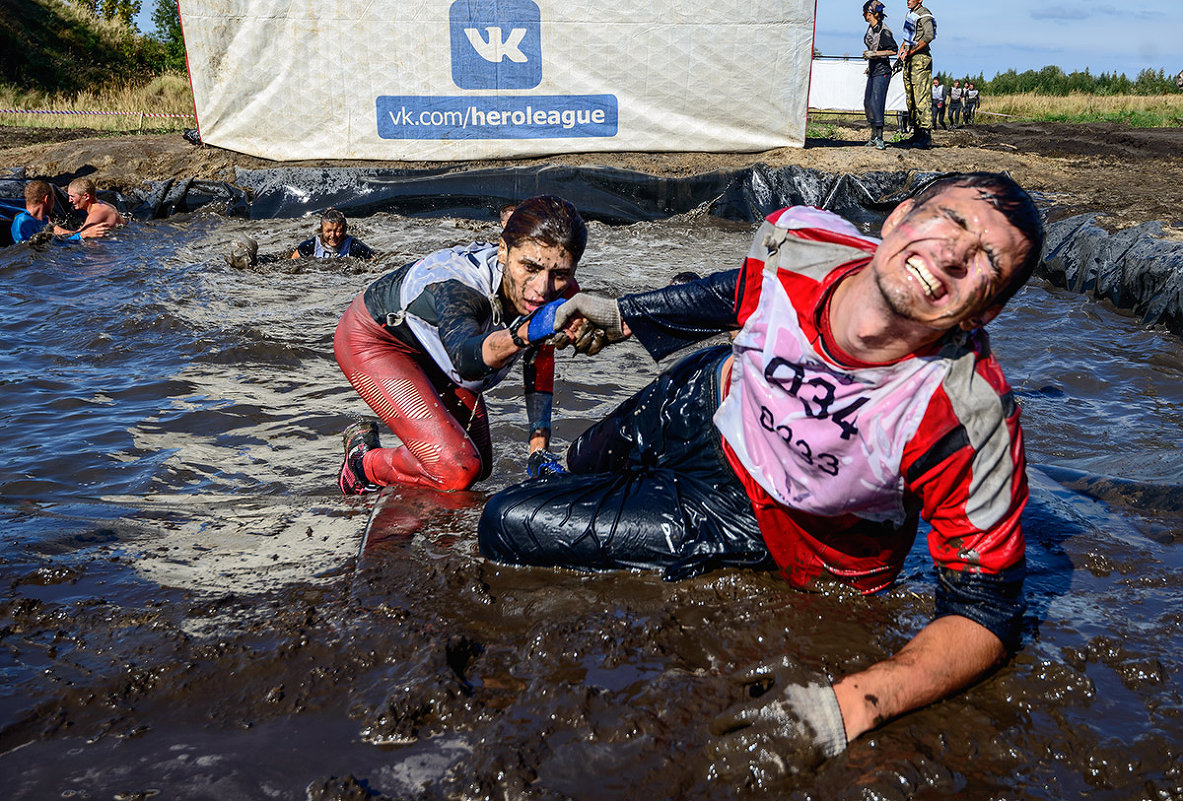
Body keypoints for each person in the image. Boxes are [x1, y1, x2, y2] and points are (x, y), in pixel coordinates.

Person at [478, 173, 1044, 774]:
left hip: (758, 513)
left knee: (506, 522)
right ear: (900, 218)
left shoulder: (965, 414)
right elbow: (743, 289)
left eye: (987, 259)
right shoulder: (800, 238)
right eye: (952, 221)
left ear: (989, 308)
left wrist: (844, 708)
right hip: (709, 397)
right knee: (577, 462)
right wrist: (624, 315)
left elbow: (985, 610)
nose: (954, 254)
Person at [333, 194, 587, 494]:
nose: (542, 289)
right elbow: (467, 362)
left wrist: (538, 449)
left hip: (437, 349)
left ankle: (412, 470)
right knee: (458, 470)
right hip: (376, 338)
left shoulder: (563, 290)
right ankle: (363, 464)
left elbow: (540, 363)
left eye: (559, 274)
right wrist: (528, 332)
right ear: (503, 250)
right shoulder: (460, 286)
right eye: (529, 268)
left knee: (480, 467)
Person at [897, 0, 937, 148]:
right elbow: (907, 37)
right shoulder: (910, 14)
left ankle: (925, 136)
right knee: (911, 98)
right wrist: (902, 50)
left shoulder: (925, 14)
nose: (908, 0)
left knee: (921, 97)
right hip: (909, 59)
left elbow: (929, 36)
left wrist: (912, 51)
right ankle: (916, 133)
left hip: (920, 59)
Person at [861, 1, 898, 151]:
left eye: (865, 12)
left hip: (882, 71)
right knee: (868, 102)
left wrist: (875, 54)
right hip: (873, 69)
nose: (864, 15)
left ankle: (880, 137)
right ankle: (873, 135)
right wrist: (869, 62)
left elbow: (893, 50)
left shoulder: (884, 31)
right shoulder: (871, 29)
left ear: (871, 13)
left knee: (877, 102)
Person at [54, 177, 123, 239]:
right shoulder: (102, 204)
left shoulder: (97, 214)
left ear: (86, 196)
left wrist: (59, 231)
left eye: (72, 196)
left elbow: (77, 235)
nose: (69, 200)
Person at [292, 209, 374, 259]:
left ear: (345, 230)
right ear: (322, 230)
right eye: (328, 231)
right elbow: (294, 260)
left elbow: (372, 261)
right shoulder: (311, 245)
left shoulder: (354, 246)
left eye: (338, 231)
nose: (333, 236)